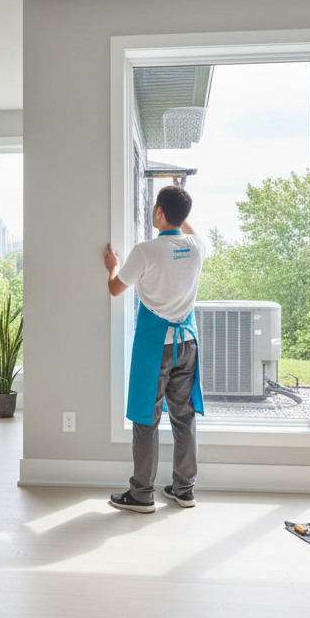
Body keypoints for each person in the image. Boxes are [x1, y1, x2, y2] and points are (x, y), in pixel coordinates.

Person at [103, 182, 207, 513]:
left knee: (147, 418)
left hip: (155, 346)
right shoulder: (197, 247)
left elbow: (115, 289)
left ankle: (142, 494)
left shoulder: (145, 251)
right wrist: (179, 206)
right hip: (187, 342)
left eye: (154, 208)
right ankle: (184, 490)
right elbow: (188, 231)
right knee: (184, 417)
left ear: (159, 212)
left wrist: (113, 265)